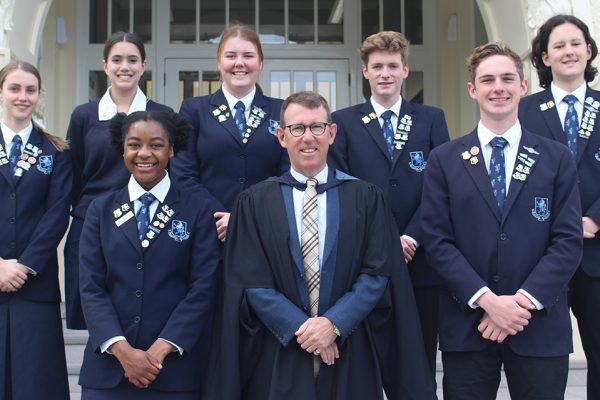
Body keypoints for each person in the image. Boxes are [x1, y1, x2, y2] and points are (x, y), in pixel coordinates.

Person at [206, 91, 435, 400]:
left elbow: (379, 272)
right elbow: (250, 280)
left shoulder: (366, 198)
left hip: (350, 345)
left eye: (317, 127)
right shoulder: (255, 202)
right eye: (297, 128)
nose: (308, 137)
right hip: (280, 347)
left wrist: (334, 324)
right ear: (281, 136)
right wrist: (306, 329)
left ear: (332, 132)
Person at [421, 42, 583, 400]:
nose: (499, 88)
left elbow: (568, 240)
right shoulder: (444, 160)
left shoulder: (556, 158)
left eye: (508, 78)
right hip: (468, 325)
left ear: (523, 86)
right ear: (472, 89)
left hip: (538, 323)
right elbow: (436, 240)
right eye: (488, 79)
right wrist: (488, 302)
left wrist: (519, 303)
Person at [329, 30, 450, 372]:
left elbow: (441, 189)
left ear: (405, 71)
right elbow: (342, 187)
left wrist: (410, 237)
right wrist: (384, 239)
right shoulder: (344, 121)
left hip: (420, 256)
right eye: (377, 66)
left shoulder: (431, 120)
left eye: (392, 66)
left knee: (421, 352)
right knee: (366, 355)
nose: (385, 73)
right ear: (365, 71)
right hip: (365, 258)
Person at [78, 110, 220, 399]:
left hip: (173, 371)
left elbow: (203, 287)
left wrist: (159, 350)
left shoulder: (197, 209)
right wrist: (123, 351)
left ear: (172, 149)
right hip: (108, 370)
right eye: (134, 144)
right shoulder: (100, 210)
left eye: (156, 145)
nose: (144, 154)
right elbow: (91, 287)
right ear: (122, 148)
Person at [64, 32, 173, 330]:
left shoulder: (162, 115)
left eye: (132, 60)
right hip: (92, 226)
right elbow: (73, 175)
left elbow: (173, 173)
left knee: (143, 312)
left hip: (146, 224)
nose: (124, 66)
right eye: (117, 60)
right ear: (105, 65)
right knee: (96, 316)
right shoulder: (84, 116)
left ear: (143, 65)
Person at [518, 14, 600, 399]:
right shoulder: (524, 111)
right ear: (545, 57)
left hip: (595, 251)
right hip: (540, 251)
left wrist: (594, 220)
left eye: (575, 43)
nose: (568, 51)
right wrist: (561, 224)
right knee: (539, 358)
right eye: (558, 45)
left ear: (588, 50)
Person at [171, 23, 289, 242]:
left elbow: (287, 175)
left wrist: (245, 217)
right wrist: (220, 216)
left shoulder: (280, 111)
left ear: (260, 63)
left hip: (265, 231)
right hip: (209, 230)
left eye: (248, 56)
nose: (239, 63)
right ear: (219, 62)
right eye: (231, 55)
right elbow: (183, 175)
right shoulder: (194, 109)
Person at [0, 61, 71, 399]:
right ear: (1, 92)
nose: (22, 97)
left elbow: (57, 215)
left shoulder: (56, 151)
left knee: (35, 383)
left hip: (35, 285)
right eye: (15, 88)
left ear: (40, 95)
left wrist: (23, 265)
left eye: (30, 90)